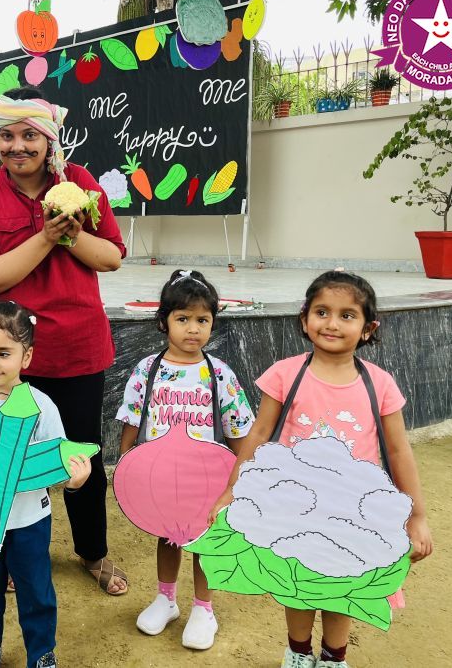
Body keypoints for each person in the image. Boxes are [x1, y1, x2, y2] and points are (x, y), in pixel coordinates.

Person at [210, 271, 434, 668]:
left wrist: (416, 516)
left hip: (354, 513)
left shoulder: (380, 384)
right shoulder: (285, 374)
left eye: (347, 315)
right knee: (297, 583)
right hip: (294, 507)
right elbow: (259, 434)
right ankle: (297, 653)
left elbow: (399, 451)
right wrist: (233, 491)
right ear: (304, 319)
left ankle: (334, 657)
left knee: (343, 585)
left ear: (368, 328)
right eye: (322, 312)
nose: (332, 323)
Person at [0, 86, 128, 595]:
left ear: (49, 138)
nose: (18, 147)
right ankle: (9, 554)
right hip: (8, 356)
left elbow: (112, 257)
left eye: (29, 135)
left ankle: (92, 552)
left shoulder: (78, 183)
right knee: (6, 457)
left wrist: (72, 233)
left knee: (82, 458)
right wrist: (46, 236)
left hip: (77, 348)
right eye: (7, 135)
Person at [0, 301, 91, 668]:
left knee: (36, 590)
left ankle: (41, 653)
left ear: (27, 356)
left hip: (29, 521)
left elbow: (58, 461)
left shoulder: (42, 405)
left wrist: (75, 479)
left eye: (4, 353)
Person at [116, 269, 254, 650]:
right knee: (168, 536)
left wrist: (239, 478)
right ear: (164, 321)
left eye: (202, 320)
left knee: (204, 542)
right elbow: (132, 419)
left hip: (207, 482)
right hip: (162, 479)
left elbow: (239, 429)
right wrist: (127, 464)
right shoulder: (147, 369)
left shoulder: (219, 374)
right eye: (183, 319)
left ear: (212, 323)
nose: (193, 329)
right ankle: (166, 599)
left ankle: (203, 609)